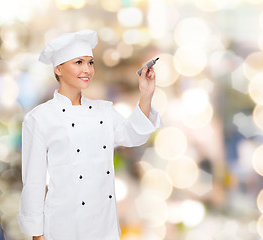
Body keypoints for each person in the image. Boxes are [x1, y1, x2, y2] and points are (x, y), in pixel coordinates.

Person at [17, 29, 162, 240]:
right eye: (78, 62)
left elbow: (134, 136)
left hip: (104, 226)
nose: (87, 70)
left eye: (90, 63)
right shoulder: (39, 118)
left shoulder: (103, 110)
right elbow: (34, 182)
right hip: (61, 227)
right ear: (58, 69)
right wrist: (37, 235)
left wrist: (146, 94)